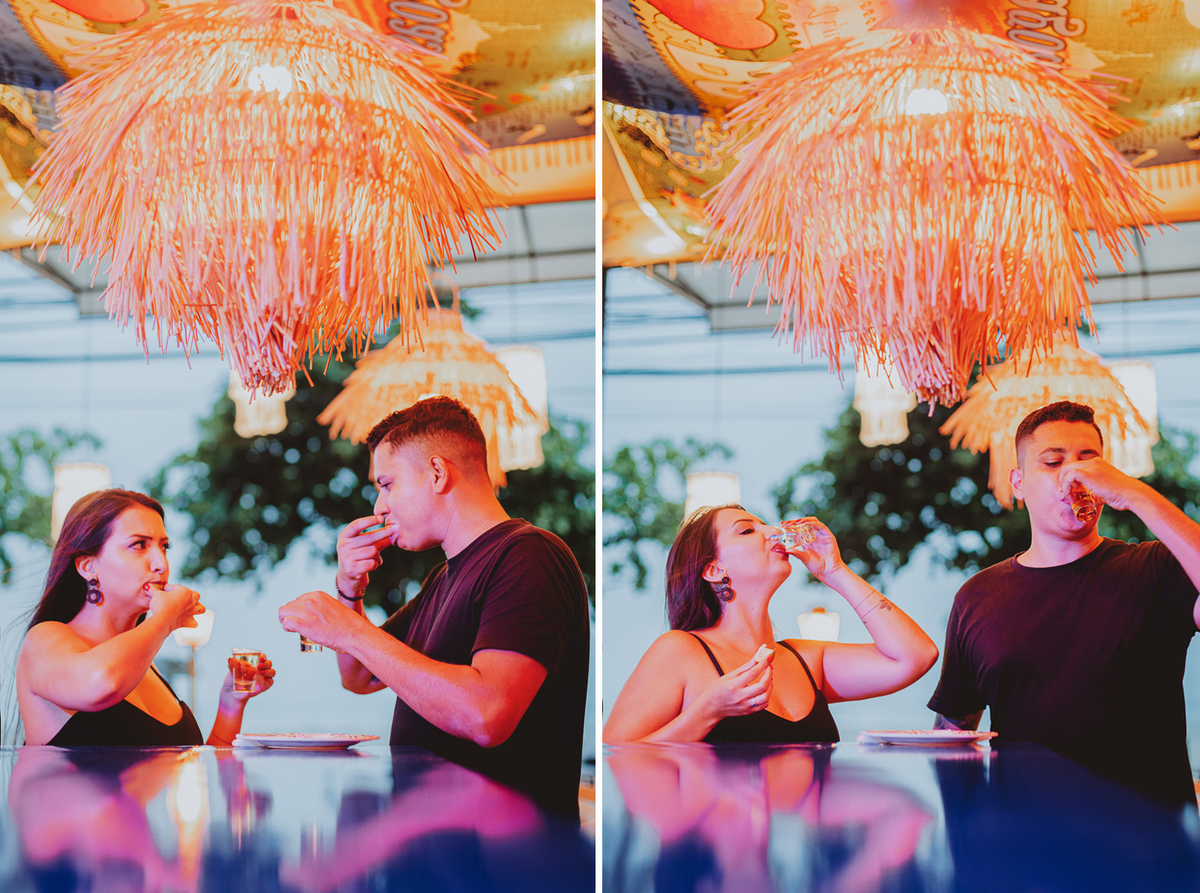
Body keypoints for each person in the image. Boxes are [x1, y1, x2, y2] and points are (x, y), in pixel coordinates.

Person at [277, 397, 590, 818]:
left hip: (506, 867)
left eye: (386, 485)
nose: (379, 507)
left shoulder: (528, 555)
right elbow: (360, 675)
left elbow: (487, 715)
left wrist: (349, 630)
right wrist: (349, 588)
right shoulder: (441, 580)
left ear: (438, 473)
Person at [928, 400, 1200, 808]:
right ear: (1018, 483)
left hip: (1147, 853)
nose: (1075, 476)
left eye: (1090, 461)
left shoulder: (1156, 569)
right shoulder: (977, 597)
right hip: (1024, 849)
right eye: (1053, 463)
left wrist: (1135, 494)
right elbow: (952, 737)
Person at [603, 505, 938, 744]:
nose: (774, 531)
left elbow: (916, 656)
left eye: (765, 525)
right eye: (749, 530)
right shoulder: (680, 651)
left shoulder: (806, 659)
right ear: (713, 570)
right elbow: (617, 756)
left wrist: (835, 571)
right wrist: (707, 711)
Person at [16, 489, 274, 747]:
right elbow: (102, 683)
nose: (161, 563)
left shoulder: (145, 666)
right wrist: (166, 618)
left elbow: (202, 768)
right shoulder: (44, 639)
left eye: (164, 547)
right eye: (139, 545)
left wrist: (231, 702)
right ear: (88, 566)